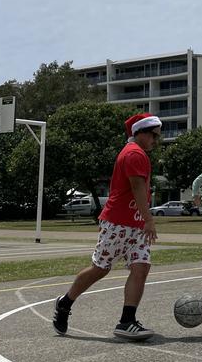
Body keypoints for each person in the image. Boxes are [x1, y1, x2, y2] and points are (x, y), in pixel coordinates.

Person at [52, 113, 162, 340]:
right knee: (100, 268)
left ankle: (126, 321)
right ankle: (65, 302)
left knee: (141, 267)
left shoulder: (139, 154)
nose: (156, 140)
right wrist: (149, 219)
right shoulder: (133, 154)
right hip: (119, 223)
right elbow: (137, 188)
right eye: (153, 135)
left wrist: (143, 221)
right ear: (140, 133)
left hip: (136, 224)